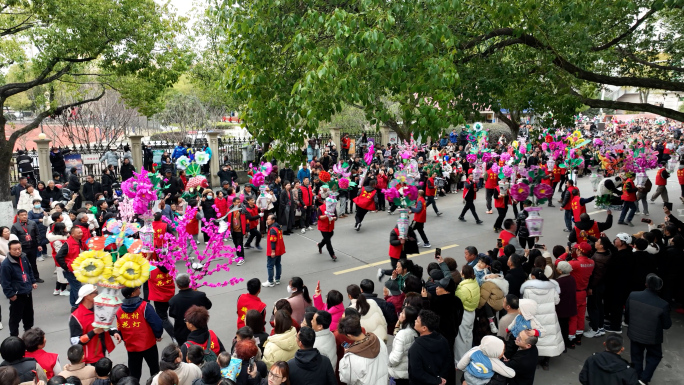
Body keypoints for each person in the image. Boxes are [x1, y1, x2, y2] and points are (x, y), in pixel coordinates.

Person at [625, 274, 672, 385]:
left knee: (636, 356)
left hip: (634, 332)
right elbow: (666, 325)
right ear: (659, 287)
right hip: (652, 337)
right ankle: (644, 379)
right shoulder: (663, 305)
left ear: (646, 284)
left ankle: (637, 377)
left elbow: (627, 315)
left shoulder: (633, 295)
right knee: (655, 356)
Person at [519, 268, 564, 370]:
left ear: (533, 277)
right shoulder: (552, 288)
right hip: (550, 318)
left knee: (535, 337)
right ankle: (546, 362)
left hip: (535, 318)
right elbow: (557, 301)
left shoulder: (528, 290)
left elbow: (526, 305)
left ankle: (534, 360)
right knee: (549, 338)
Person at [116, 286, 163, 380]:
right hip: (148, 345)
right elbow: (156, 323)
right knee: (154, 370)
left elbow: (119, 328)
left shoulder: (119, 309)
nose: (139, 289)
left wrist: (124, 338)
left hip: (131, 347)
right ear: (133, 293)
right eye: (137, 288)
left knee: (134, 374)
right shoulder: (145, 306)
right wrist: (158, 334)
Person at [555, 242, 594, 346]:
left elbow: (558, 263)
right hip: (583, 292)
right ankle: (578, 336)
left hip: (575, 293)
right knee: (581, 315)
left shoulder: (575, 263)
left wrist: (566, 253)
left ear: (579, 251)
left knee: (573, 316)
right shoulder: (591, 262)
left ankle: (571, 337)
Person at [69, 284, 119, 364]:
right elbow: (74, 341)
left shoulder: (100, 308)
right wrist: (94, 332)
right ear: (86, 296)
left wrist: (115, 332)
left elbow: (106, 323)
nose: (98, 295)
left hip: (101, 352)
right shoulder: (76, 317)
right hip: (88, 359)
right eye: (95, 293)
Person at [0, 240, 38, 337]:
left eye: (19, 249)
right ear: (9, 250)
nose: (18, 251)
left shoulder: (24, 257)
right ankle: (14, 337)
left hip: (27, 291)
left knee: (29, 315)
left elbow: (29, 270)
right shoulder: (6, 264)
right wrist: (10, 294)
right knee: (15, 318)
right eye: (15, 249)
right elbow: (5, 282)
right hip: (17, 295)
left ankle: (29, 334)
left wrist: (33, 281)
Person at [337, 315, 389, 385]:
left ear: (349, 335)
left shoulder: (351, 358)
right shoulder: (378, 340)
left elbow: (345, 378)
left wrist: (345, 356)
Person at [408, 309, 452, 385]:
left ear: (424, 328)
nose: (415, 321)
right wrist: (440, 379)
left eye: (417, 321)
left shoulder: (415, 348)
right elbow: (448, 360)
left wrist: (436, 380)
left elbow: (417, 373)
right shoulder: (443, 340)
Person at [168, 274, 213, 345]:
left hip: (182, 331)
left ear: (178, 285)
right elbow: (208, 306)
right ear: (189, 282)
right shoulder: (200, 295)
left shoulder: (173, 300)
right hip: (200, 328)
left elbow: (172, 314)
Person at [55, 226, 88, 310]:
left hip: (76, 269)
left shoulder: (79, 242)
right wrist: (66, 267)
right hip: (71, 270)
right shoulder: (68, 244)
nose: (81, 234)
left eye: (81, 232)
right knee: (78, 288)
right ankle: (80, 307)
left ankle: (74, 305)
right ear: (72, 234)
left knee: (74, 288)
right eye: (79, 233)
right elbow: (58, 256)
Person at [387, 306, 418, 385]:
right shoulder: (414, 332)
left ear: (406, 318)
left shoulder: (402, 334)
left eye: (403, 313)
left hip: (398, 374)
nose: (400, 314)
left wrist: (387, 361)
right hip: (408, 372)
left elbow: (395, 359)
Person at [455, 265, 480, 362]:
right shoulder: (475, 283)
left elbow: (457, 301)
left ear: (463, 274)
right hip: (472, 312)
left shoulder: (463, 288)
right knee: (468, 336)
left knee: (460, 338)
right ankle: (468, 356)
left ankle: (459, 361)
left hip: (464, 314)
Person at [11, 210, 43, 283]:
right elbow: (14, 238)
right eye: (22, 215)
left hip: (32, 246)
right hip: (22, 248)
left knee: (33, 263)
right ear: (18, 216)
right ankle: (26, 279)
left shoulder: (32, 223)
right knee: (24, 263)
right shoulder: (15, 226)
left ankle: (36, 277)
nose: (24, 216)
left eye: (25, 214)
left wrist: (39, 244)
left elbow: (37, 234)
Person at [554, 261, 577, 351]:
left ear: (560, 271)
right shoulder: (572, 278)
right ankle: (567, 342)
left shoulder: (558, 282)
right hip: (570, 305)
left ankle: (563, 344)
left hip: (561, 308)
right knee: (566, 325)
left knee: (561, 327)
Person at [262, 215, 285, 288]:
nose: (267, 221)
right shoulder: (278, 227)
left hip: (274, 250)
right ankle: (277, 279)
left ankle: (270, 281)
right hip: (279, 250)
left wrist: (272, 251)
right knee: (278, 264)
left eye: (268, 219)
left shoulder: (272, 229)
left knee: (270, 266)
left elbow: (273, 241)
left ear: (273, 220)